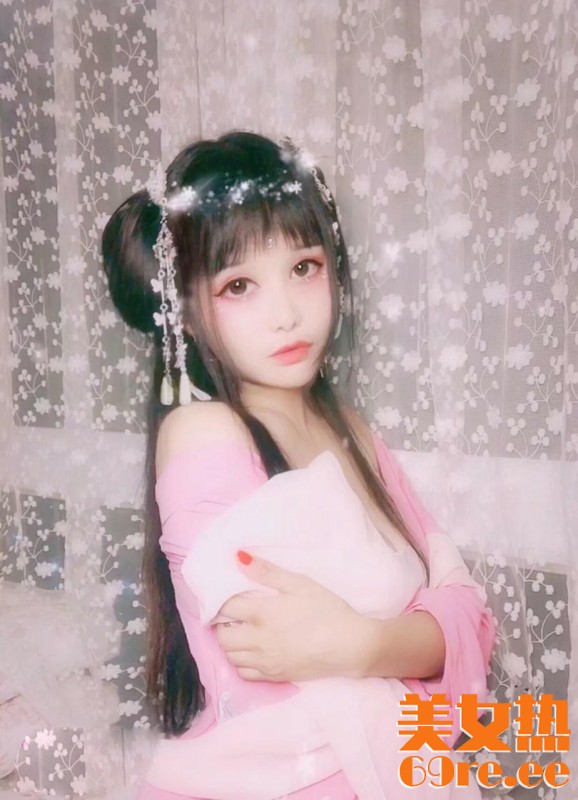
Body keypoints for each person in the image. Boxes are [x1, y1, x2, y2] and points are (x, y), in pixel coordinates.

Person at [101, 131, 496, 799]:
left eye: (304, 267)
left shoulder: (352, 431)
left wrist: (363, 645)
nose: (286, 314)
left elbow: (470, 615)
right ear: (185, 313)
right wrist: (405, 636)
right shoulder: (204, 432)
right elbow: (269, 659)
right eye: (239, 285)